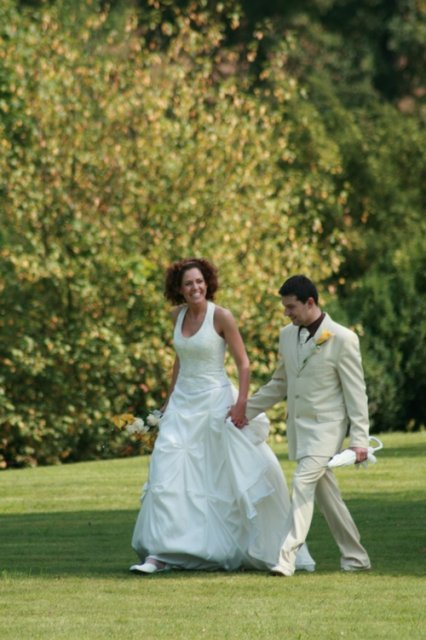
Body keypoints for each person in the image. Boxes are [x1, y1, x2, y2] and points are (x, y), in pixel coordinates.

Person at [129, 259, 315, 574]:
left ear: (207, 283)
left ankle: (215, 548)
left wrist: (241, 403)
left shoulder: (222, 317)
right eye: (188, 283)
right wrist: (168, 401)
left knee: (215, 479)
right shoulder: (176, 315)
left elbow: (243, 363)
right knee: (165, 472)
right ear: (179, 288)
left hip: (214, 402)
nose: (195, 288)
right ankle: (158, 554)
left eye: (199, 281)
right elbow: (180, 360)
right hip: (182, 405)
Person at [246, 275, 371, 576]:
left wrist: (360, 440)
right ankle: (356, 558)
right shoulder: (287, 336)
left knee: (302, 483)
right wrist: (243, 411)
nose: (286, 313)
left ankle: (286, 558)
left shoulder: (343, 338)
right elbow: (279, 383)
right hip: (300, 430)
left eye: (291, 307)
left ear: (310, 302)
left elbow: (356, 394)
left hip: (327, 430)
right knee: (328, 497)